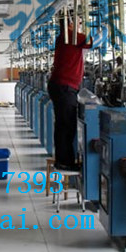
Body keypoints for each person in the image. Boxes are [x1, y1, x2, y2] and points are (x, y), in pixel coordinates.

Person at [48, 17, 93, 171]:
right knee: (67, 125)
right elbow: (92, 41)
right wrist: (105, 29)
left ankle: (63, 160)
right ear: (71, 23)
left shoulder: (65, 37)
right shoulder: (70, 37)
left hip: (62, 86)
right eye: (79, 22)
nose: (80, 26)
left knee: (63, 124)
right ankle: (65, 162)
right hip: (65, 87)